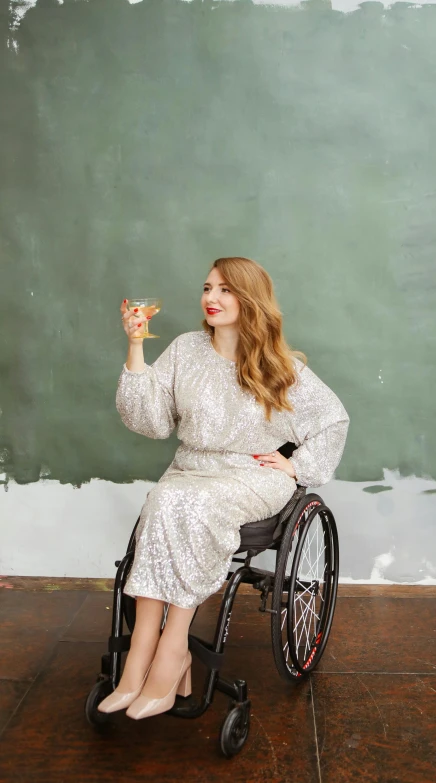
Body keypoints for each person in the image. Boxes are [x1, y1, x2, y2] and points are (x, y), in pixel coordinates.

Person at [98, 256, 349, 720]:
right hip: (190, 469)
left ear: (249, 298)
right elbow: (151, 422)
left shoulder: (279, 365)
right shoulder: (185, 349)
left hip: (252, 476)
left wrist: (296, 466)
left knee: (187, 503)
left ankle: (171, 654)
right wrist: (136, 347)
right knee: (166, 498)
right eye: (208, 288)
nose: (211, 298)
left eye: (225, 290)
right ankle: (138, 658)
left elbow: (333, 420)